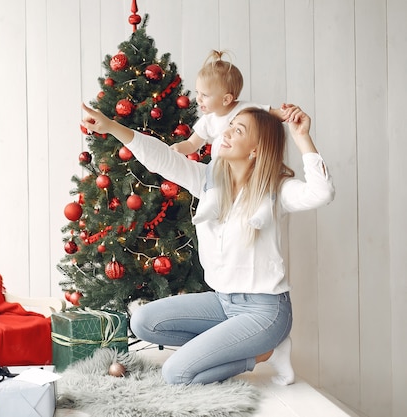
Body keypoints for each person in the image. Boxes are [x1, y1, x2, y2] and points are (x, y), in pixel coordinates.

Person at [80, 101, 334, 386]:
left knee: (176, 373)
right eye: (230, 126)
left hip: (266, 311)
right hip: (223, 303)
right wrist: (112, 127)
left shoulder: (276, 191)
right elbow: (161, 158)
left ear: (255, 150)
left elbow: (321, 192)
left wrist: (301, 137)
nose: (226, 133)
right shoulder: (207, 180)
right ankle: (235, 348)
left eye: (238, 130)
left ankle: (262, 353)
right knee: (142, 322)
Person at [173, 50, 288, 229]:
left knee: (267, 178)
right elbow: (192, 143)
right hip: (223, 167)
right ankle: (212, 202)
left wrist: (288, 113)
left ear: (226, 99)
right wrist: (178, 148)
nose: (199, 99)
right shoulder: (208, 120)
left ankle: (265, 210)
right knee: (212, 169)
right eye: (198, 93)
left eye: (205, 95)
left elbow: (274, 114)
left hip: (247, 165)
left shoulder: (247, 109)